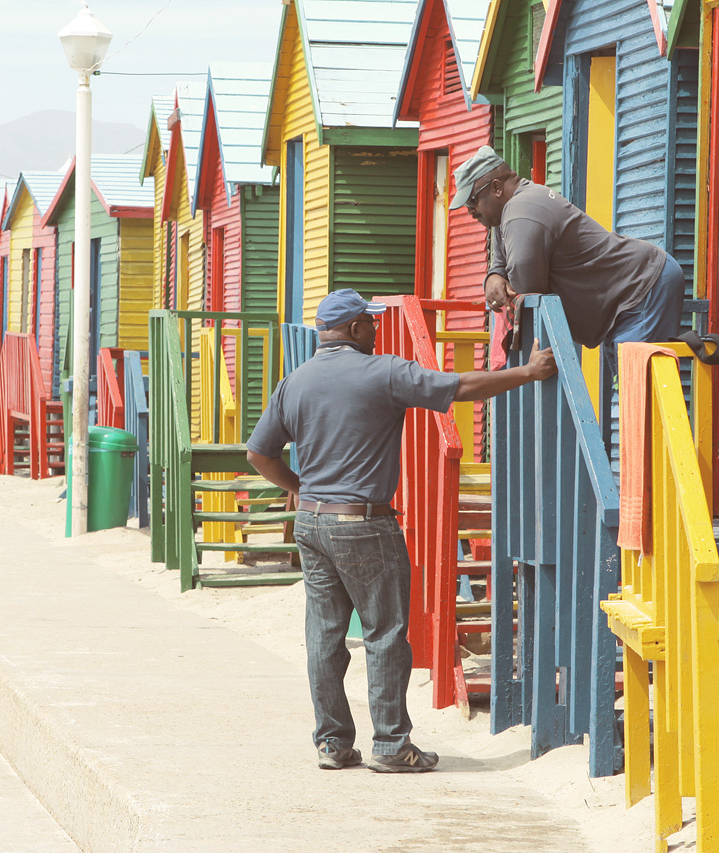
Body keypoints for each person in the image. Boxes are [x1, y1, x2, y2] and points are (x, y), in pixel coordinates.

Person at [245, 288, 557, 773]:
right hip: (363, 522)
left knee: (324, 636)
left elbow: (258, 455)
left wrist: (301, 487)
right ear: (353, 330)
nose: (375, 329)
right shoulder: (383, 372)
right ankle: (391, 745)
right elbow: (461, 387)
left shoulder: (295, 382)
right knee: (385, 633)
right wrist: (528, 372)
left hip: (310, 522)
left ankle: (332, 743)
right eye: (369, 322)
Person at [452, 146, 685, 356]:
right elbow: (502, 262)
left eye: (473, 201)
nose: (470, 211)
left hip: (643, 288)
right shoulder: (510, 212)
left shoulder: (521, 210)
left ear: (496, 188)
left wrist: (506, 282)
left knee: (634, 389)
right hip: (629, 296)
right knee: (627, 389)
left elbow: (526, 286)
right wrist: (494, 277)